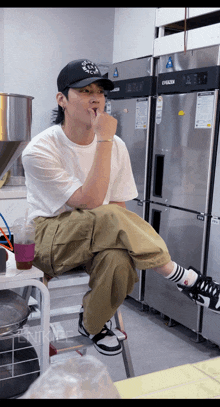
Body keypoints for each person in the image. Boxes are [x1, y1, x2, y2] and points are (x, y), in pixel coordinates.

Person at [22, 59, 220, 357]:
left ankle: (92, 322)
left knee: (119, 260)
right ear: (61, 100)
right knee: (108, 216)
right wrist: (103, 139)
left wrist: (106, 141)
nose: (95, 99)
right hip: (50, 239)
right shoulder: (40, 149)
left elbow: (118, 208)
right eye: (85, 90)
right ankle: (183, 277)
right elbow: (89, 203)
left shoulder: (116, 145)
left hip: (98, 233)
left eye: (100, 92)